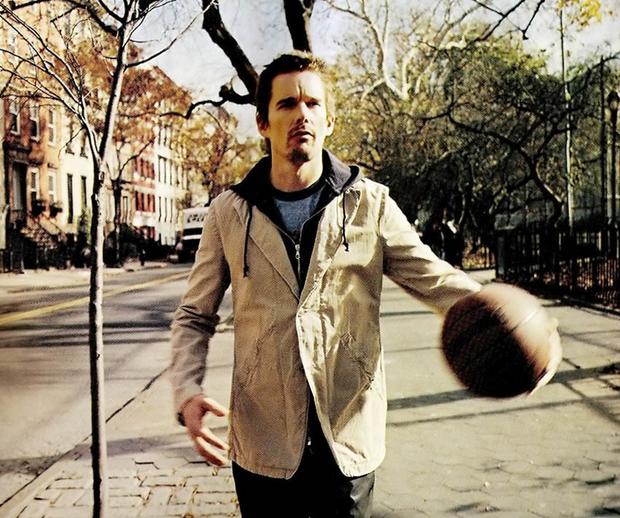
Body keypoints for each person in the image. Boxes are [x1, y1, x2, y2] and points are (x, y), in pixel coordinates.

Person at [169, 52, 560, 517]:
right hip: (263, 441)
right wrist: (186, 390)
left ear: (330, 121)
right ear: (262, 123)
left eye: (313, 103)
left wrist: (519, 325)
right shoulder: (230, 213)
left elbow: (434, 278)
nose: (302, 114)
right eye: (287, 104)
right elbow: (194, 315)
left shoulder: (370, 204)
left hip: (347, 436)